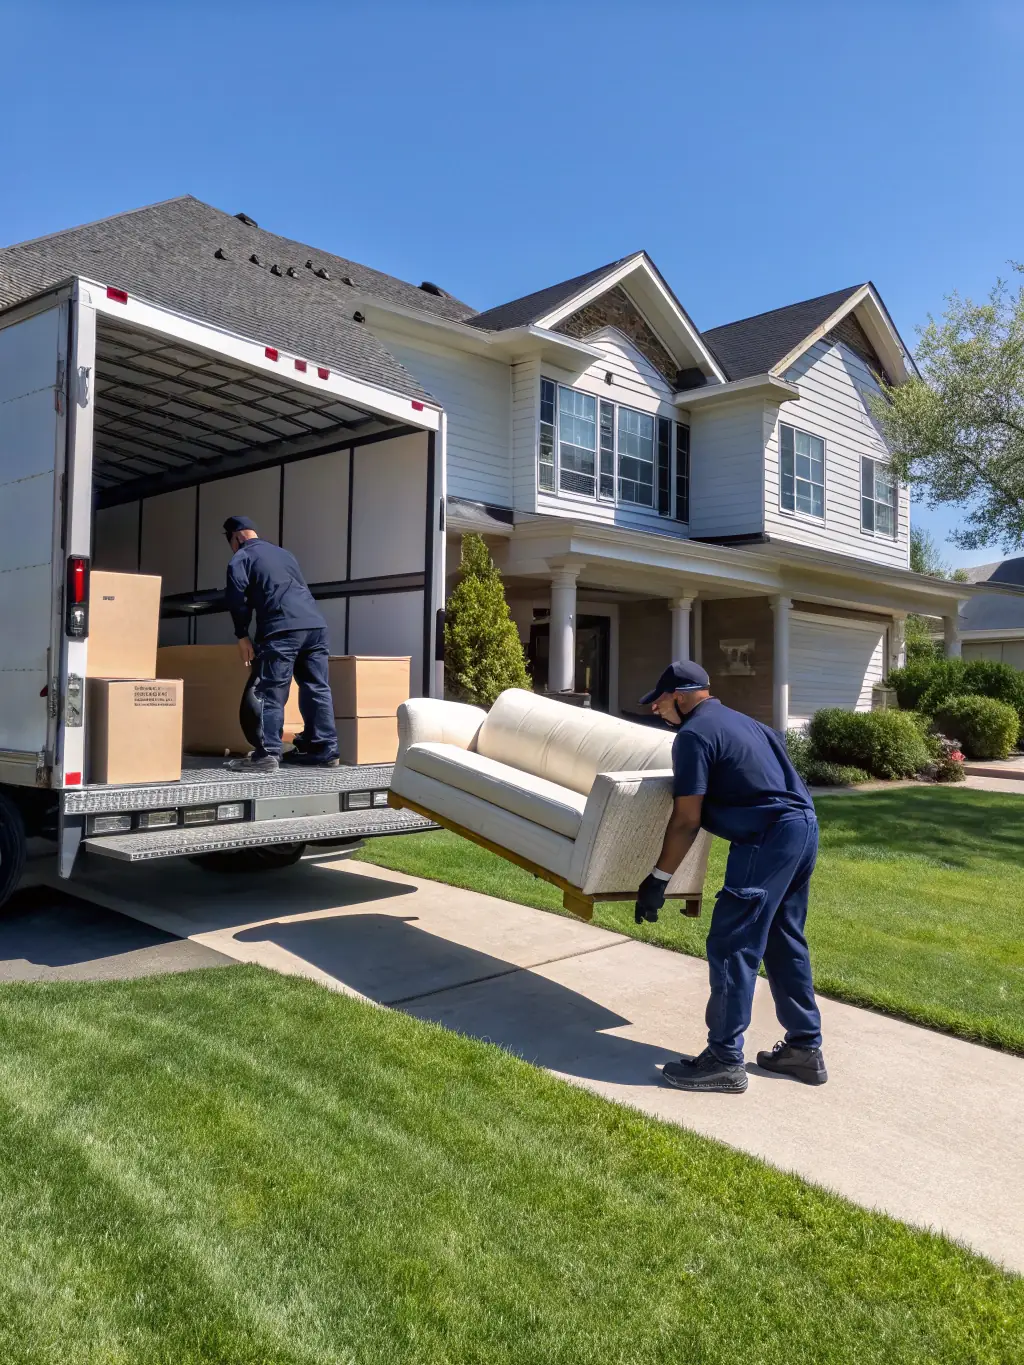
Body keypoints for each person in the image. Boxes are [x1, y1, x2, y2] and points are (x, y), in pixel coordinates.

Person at [634, 660, 826, 1094]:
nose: (655, 709)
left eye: (660, 701)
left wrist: (658, 879)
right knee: (782, 937)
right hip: (802, 828)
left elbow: (686, 818)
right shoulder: (745, 724)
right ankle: (804, 1048)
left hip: (767, 836)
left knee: (732, 941)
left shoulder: (694, 736)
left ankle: (723, 1059)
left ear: (682, 695)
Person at [221, 515, 339, 772]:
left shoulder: (242, 557)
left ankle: (268, 753)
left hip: (282, 628)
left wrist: (242, 635)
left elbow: (236, 597)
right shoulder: (285, 555)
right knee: (316, 687)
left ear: (238, 537)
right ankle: (324, 749)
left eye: (231, 541)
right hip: (315, 626)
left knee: (270, 690)